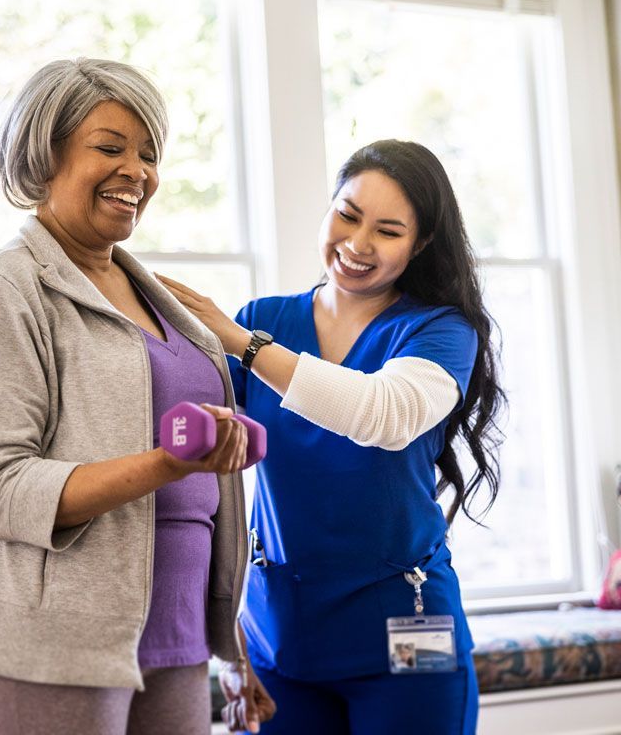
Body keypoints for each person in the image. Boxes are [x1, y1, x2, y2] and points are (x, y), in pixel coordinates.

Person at [0, 58, 270, 735]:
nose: (138, 171)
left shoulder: (160, 298)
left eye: (149, 154)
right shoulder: (7, 290)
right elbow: (0, 490)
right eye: (111, 147)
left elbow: (204, 504)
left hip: (178, 634)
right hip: (58, 642)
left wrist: (232, 644)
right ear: (47, 154)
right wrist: (166, 463)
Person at [160, 139, 505, 735]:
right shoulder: (265, 315)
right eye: (347, 214)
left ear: (420, 243)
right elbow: (201, 474)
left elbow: (383, 415)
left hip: (407, 637)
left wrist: (244, 344)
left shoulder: (440, 330)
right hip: (279, 636)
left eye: (388, 230)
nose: (357, 243)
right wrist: (229, 636)